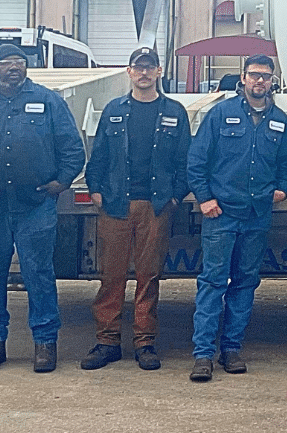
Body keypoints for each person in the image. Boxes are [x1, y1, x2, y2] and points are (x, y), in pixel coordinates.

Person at [0, 43, 86, 374]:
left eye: (19, 63)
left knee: (38, 273)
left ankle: (45, 343)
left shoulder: (49, 101)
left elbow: (72, 148)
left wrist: (62, 181)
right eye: (6, 63)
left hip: (35, 207)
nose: (14, 67)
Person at [186, 54, 287, 383]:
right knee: (213, 284)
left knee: (245, 284)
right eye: (254, 75)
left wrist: (283, 188)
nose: (259, 81)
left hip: (256, 215)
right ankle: (203, 355)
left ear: (273, 81)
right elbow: (196, 160)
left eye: (266, 76)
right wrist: (205, 199)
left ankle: (231, 350)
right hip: (222, 215)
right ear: (243, 78)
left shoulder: (280, 122)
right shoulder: (220, 114)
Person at [81, 46, 192, 371]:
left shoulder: (175, 112)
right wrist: (96, 190)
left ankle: (145, 343)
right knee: (111, 277)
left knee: (148, 277)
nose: (144, 73)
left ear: (159, 71)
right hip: (115, 205)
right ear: (129, 72)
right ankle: (107, 341)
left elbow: (185, 161)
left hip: (155, 207)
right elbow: (98, 156)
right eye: (138, 67)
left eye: (150, 67)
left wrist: (173, 198)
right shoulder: (114, 110)